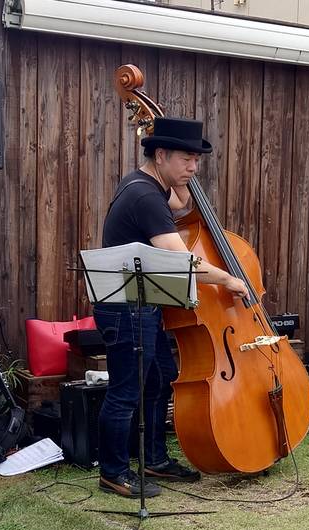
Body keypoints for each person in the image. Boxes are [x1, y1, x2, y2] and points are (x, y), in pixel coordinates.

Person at [94, 117, 248, 498]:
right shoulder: (145, 196)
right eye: (187, 160)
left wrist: (182, 180)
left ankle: (154, 460)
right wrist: (229, 279)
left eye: (197, 160)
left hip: (144, 306)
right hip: (127, 308)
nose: (194, 168)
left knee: (161, 377)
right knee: (126, 392)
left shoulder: (146, 183)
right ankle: (113, 472)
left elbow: (182, 203)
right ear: (160, 154)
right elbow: (184, 263)